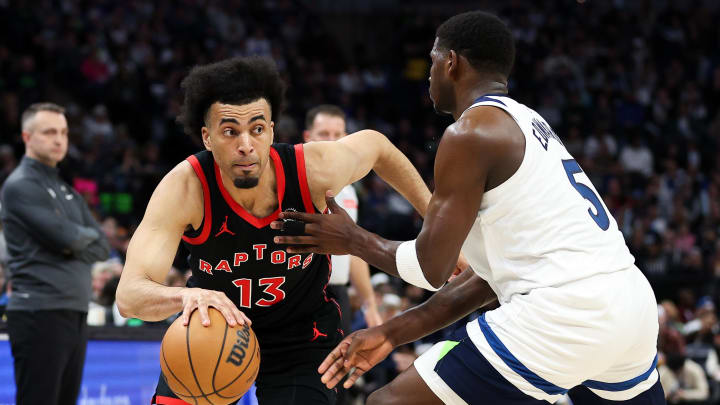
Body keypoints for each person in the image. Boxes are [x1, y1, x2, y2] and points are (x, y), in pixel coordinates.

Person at [275, 11, 665, 405]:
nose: (429, 75)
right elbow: (482, 279)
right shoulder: (528, 121)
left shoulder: (470, 133)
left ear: (451, 62)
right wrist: (393, 332)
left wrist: (353, 239)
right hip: (631, 307)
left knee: (386, 402)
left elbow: (432, 268)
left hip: (565, 312)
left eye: (431, 61)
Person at [114, 56, 432, 405]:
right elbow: (129, 297)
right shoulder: (184, 188)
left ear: (271, 132)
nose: (246, 144)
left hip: (301, 335)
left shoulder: (312, 168)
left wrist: (435, 222)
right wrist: (185, 296)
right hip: (213, 330)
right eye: (230, 131)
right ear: (207, 137)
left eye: (257, 129)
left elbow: (377, 147)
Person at [0, 102, 110, 405]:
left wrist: (74, 239)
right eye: (49, 132)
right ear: (27, 137)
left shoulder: (67, 191)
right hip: (40, 311)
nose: (59, 139)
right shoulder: (20, 186)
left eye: (63, 132)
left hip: (72, 311)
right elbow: (68, 238)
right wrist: (74, 239)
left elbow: (101, 245)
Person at [303, 104, 383, 333]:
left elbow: (353, 250)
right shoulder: (292, 181)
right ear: (308, 137)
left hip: (337, 294)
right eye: (324, 134)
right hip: (299, 293)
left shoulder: (349, 190)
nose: (331, 141)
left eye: (338, 135)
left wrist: (369, 305)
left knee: (342, 367)